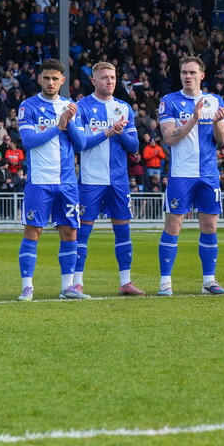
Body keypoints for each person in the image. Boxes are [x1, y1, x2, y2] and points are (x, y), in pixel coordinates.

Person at [157, 55, 224, 296]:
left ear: (202, 75)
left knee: (210, 226)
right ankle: (165, 282)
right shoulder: (170, 101)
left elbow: (222, 140)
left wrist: (218, 122)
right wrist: (194, 119)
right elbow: (169, 137)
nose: (187, 77)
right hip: (181, 175)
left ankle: (209, 281)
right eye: (184, 73)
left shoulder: (214, 100)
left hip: (208, 174)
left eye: (192, 72)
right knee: (173, 225)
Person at [71, 62, 145, 296]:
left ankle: (126, 282)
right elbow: (81, 143)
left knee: (123, 231)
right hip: (91, 180)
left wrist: (121, 132)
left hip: (119, 180)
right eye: (104, 78)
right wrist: (108, 132)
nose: (109, 81)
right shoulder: (82, 107)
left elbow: (134, 146)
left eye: (112, 77)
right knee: (83, 232)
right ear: (94, 81)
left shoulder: (123, 108)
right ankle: (76, 282)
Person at [16, 59, 87, 301]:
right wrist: (59, 126)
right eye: (46, 78)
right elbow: (29, 141)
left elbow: (81, 144)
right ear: (39, 79)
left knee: (69, 233)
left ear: (62, 81)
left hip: (67, 182)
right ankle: (27, 286)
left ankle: (68, 287)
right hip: (39, 181)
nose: (50, 82)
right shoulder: (29, 106)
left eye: (55, 78)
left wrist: (70, 123)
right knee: (33, 231)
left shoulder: (70, 106)